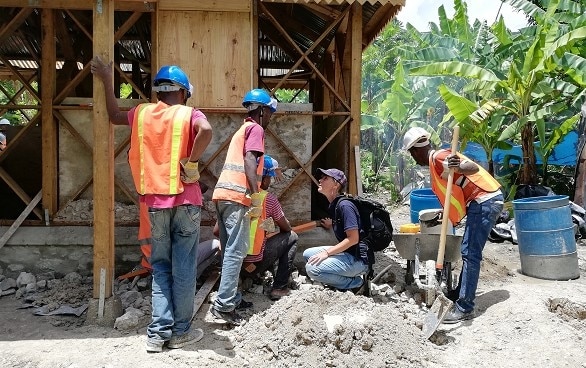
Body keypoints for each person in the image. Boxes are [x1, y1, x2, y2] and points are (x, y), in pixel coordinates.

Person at [91, 57, 213, 352]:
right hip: (186, 202)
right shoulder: (188, 114)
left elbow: (113, 114)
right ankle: (181, 331)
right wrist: (192, 162)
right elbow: (206, 130)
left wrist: (108, 78)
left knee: (160, 267)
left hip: (155, 204)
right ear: (183, 92)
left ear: (158, 92)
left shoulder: (141, 113)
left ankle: (157, 335)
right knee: (183, 267)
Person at [402, 126, 503, 323]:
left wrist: (456, 165)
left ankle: (465, 307)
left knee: (470, 253)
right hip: (482, 201)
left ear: (416, 150)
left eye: (412, 154)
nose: (414, 159)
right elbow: (452, 191)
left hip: (484, 200)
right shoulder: (435, 161)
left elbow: (471, 168)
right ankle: (459, 294)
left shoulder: (439, 157)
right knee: (469, 251)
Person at [211, 89, 276, 325]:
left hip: (224, 195)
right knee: (237, 251)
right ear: (262, 110)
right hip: (237, 197)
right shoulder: (256, 128)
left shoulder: (242, 128)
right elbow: (250, 160)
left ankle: (232, 297)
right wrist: (256, 194)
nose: (270, 118)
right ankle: (225, 305)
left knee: (229, 251)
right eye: (270, 113)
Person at [240, 155, 298, 300]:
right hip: (254, 264)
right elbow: (286, 228)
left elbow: (217, 231)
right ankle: (279, 288)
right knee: (292, 237)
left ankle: (241, 281)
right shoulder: (268, 199)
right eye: (270, 177)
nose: (270, 181)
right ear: (264, 179)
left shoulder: (235, 195)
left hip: (233, 265)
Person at [303, 168, 370, 292]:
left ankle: (356, 283)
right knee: (307, 254)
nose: (320, 180)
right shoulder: (335, 205)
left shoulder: (345, 206)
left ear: (336, 184)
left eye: (325, 178)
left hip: (358, 260)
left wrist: (327, 253)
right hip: (348, 253)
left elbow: (353, 239)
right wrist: (332, 224)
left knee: (312, 269)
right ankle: (340, 278)